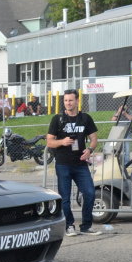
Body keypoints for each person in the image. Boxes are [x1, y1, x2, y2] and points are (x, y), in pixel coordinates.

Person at [47, 89, 100, 236]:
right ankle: (69, 225)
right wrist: (62, 141)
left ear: (77, 101)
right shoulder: (58, 119)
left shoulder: (85, 118)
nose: (68, 103)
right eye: (65, 100)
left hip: (81, 164)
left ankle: (86, 226)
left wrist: (89, 150)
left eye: (71, 100)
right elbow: (50, 142)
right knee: (65, 197)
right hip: (63, 164)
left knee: (89, 193)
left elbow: (94, 139)